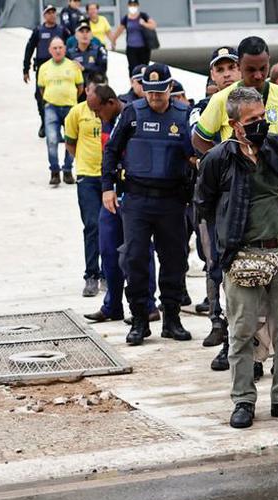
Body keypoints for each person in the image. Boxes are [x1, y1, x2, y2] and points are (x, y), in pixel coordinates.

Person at [194, 87, 278, 429]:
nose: (261, 124)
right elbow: (204, 205)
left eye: (263, 117)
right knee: (242, 331)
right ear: (234, 125)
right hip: (241, 256)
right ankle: (243, 400)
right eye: (252, 121)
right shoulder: (219, 159)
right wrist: (220, 255)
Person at [102, 63, 196, 346]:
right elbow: (112, 150)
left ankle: (172, 318)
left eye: (160, 92)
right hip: (137, 199)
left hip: (172, 199)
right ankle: (140, 319)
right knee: (135, 259)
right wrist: (107, 188)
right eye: (150, 91)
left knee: (174, 260)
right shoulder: (132, 112)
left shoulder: (184, 115)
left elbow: (196, 154)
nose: (155, 97)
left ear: (170, 88)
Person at [84, 84, 159, 325]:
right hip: (113, 195)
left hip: (135, 195)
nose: (97, 116)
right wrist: (107, 187)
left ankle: (147, 305)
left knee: (137, 252)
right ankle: (112, 305)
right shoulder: (108, 121)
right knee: (107, 249)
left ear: (111, 103)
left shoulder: (134, 115)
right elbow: (109, 154)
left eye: (98, 111)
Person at [192, 46, 240, 362]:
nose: (225, 74)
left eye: (230, 67)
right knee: (217, 265)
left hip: (255, 195)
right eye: (219, 69)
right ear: (212, 75)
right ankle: (220, 327)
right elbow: (197, 141)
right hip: (220, 197)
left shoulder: (254, 99)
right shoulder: (205, 107)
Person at [193, 36, 278, 153]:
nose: (258, 75)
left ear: (269, 61)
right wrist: (223, 163)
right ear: (239, 65)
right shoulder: (220, 99)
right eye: (251, 70)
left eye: (263, 68)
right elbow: (199, 139)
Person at [64, 78, 106, 298]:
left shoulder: (110, 111)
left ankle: (109, 273)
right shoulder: (77, 112)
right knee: (91, 225)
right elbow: (70, 141)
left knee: (111, 227)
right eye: (89, 92)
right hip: (87, 177)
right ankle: (92, 274)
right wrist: (81, 161)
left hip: (109, 177)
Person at [38, 37, 83, 187]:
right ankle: (55, 171)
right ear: (50, 50)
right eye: (54, 48)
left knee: (71, 139)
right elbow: (41, 88)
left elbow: (80, 87)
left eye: (60, 48)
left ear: (65, 49)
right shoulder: (44, 68)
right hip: (51, 107)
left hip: (70, 108)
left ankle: (68, 170)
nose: (58, 50)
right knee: (51, 139)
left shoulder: (73, 66)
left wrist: (69, 97)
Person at [24, 5, 69, 138]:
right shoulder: (38, 30)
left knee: (60, 96)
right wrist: (25, 68)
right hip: (43, 69)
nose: (51, 15)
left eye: (53, 13)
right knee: (41, 97)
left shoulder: (62, 31)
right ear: (44, 15)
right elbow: (29, 48)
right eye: (48, 13)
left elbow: (70, 46)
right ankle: (44, 123)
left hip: (60, 68)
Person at [111, 0, 156, 75]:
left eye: (134, 5)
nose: (133, 7)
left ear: (137, 6)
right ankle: (133, 84)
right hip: (131, 48)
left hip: (144, 48)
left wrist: (144, 23)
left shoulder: (143, 16)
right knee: (132, 67)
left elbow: (153, 25)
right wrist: (113, 40)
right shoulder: (126, 18)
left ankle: (143, 83)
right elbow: (119, 30)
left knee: (144, 67)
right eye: (131, 5)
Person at [68, 20, 108, 90]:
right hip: (77, 88)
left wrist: (84, 68)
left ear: (91, 35)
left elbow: (102, 69)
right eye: (81, 32)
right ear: (76, 35)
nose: (85, 34)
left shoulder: (99, 49)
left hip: (95, 88)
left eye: (87, 31)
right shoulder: (69, 53)